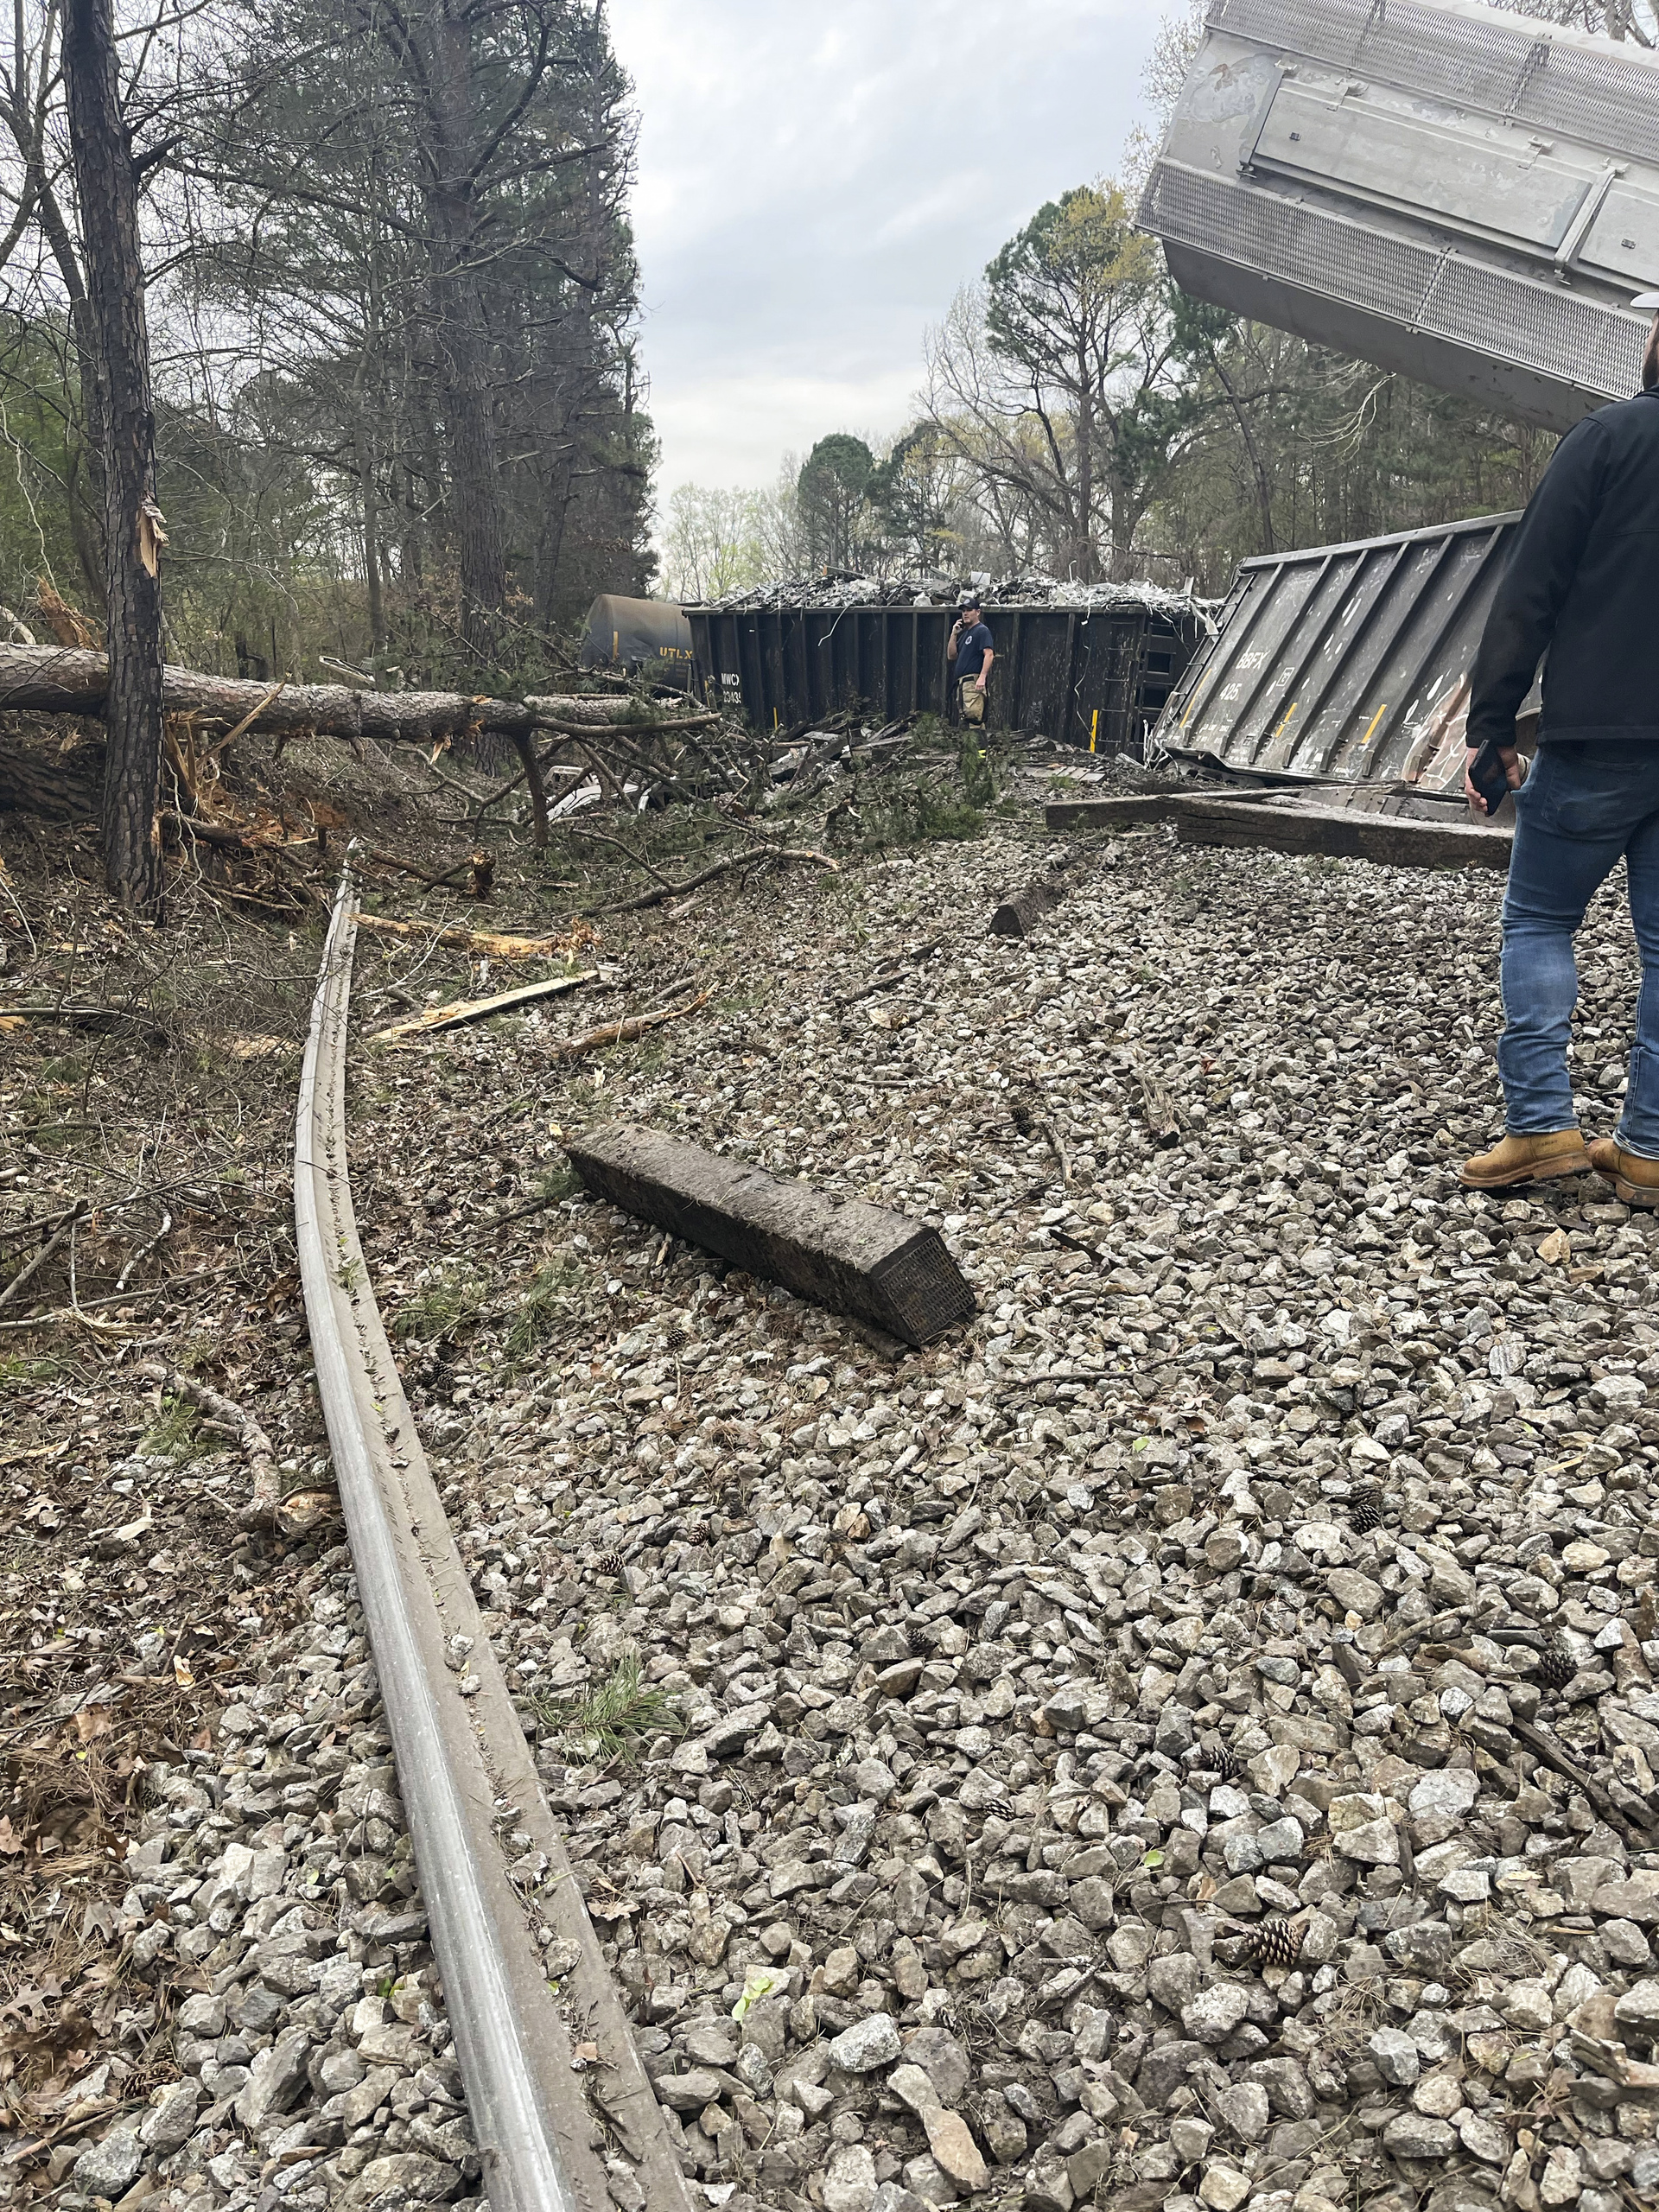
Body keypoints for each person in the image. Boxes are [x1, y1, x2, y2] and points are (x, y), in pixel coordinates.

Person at [1461, 291, 1659, 1198]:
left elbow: (1529, 590)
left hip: (1597, 739)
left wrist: (1491, 730)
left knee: (1541, 919)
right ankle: (1647, 1147)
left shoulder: (1604, 441)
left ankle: (1543, 1126)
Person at [949, 594, 995, 726]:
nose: (965, 613)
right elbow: (951, 655)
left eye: (969, 610)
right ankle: (972, 741)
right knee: (965, 722)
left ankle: (980, 741)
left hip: (973, 683)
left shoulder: (982, 631)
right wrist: (954, 634)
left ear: (978, 612)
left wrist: (982, 677)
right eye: (963, 611)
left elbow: (989, 654)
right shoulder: (965, 635)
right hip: (962, 685)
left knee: (974, 721)